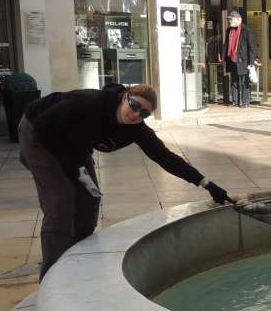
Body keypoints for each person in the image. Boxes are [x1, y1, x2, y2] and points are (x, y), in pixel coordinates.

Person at [18, 83, 233, 280]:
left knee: (90, 201)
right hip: (39, 134)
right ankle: (52, 279)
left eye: (144, 113)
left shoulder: (136, 130)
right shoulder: (89, 103)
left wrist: (207, 184)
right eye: (134, 105)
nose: (135, 114)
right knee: (61, 201)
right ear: (125, 96)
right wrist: (68, 167)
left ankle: (73, 260)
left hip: (76, 145)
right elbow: (44, 126)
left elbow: (166, 158)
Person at [222, 10, 256, 107]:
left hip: (243, 61)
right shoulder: (229, 30)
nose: (230, 21)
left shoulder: (246, 30)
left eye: (231, 19)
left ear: (238, 19)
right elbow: (226, 45)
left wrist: (251, 62)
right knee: (233, 81)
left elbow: (251, 47)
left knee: (244, 82)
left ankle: (245, 102)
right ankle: (235, 101)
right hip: (232, 59)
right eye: (229, 20)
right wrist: (224, 57)